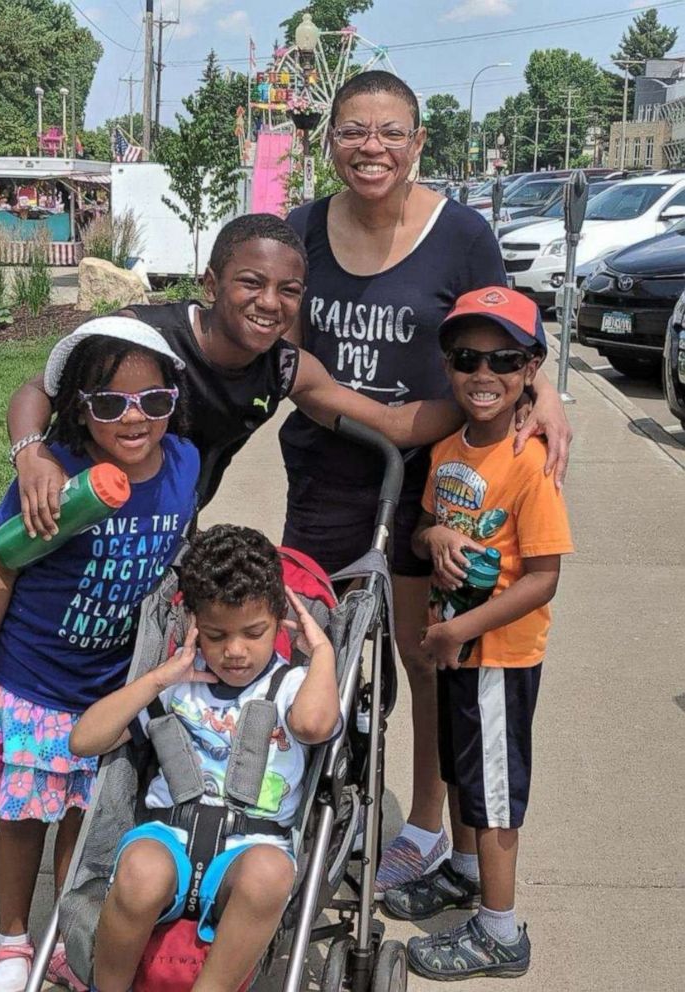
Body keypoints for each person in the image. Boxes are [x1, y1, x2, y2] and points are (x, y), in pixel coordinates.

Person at [281, 70, 573, 895]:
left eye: (390, 133)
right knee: (313, 647)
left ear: (417, 142)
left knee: (426, 654)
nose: (370, 148)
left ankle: (423, 824)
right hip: (330, 472)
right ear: (329, 138)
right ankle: (300, 808)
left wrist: (543, 392)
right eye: (352, 130)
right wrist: (393, 422)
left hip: (443, 480)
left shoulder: (461, 233)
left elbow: (513, 325)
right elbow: (290, 358)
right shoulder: (300, 231)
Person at [0, 320, 200, 992]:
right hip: (37, 681)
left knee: (84, 819)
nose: (134, 419)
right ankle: (12, 938)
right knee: (24, 818)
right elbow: (0, 565)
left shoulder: (184, 463)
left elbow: (184, 539)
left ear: (171, 404)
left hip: (111, 686)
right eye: (110, 403)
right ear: (78, 407)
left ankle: (65, 933)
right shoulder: (57, 477)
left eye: (153, 402)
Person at [6, 212, 464, 535]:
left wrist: (491, 395)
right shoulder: (141, 334)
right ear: (211, 284)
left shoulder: (286, 369)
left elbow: (392, 424)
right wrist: (32, 456)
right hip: (67, 512)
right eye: (251, 282)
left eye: (289, 291)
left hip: (165, 531)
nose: (270, 302)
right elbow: (38, 388)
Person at [382, 287, 573, 980]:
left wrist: (456, 628)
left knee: (493, 798)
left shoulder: (532, 462)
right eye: (466, 358)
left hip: (497, 657)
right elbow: (429, 518)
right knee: (464, 774)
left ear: (531, 372)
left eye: (504, 360)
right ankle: (464, 872)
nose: (483, 374)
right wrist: (435, 536)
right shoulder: (451, 447)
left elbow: (543, 579)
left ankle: (500, 932)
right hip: (458, 646)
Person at [70, 525, 341, 992]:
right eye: (216, 635)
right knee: (139, 870)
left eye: (253, 633)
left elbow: (316, 726)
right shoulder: (177, 686)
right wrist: (156, 680)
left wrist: (321, 654)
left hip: (253, 847)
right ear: (194, 623)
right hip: (169, 835)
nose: (235, 651)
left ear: (279, 619)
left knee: (271, 874)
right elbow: (84, 740)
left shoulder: (293, 686)